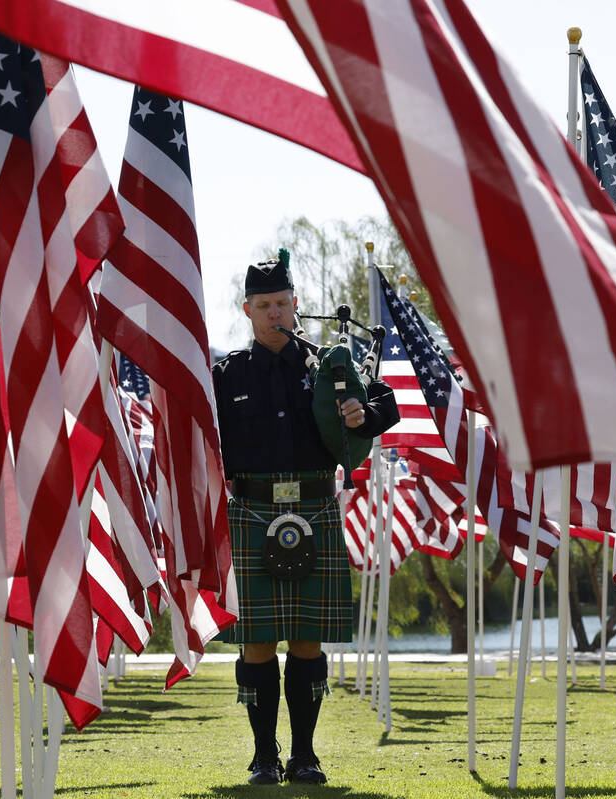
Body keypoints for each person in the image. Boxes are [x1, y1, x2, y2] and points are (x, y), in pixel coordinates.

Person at [212, 252, 399, 785]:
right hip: (251, 508)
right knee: (258, 641)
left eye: (283, 304)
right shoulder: (228, 375)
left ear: (296, 305)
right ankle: (264, 755)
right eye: (264, 305)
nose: (275, 313)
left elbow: (386, 403)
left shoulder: (330, 366)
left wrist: (367, 414)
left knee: (307, 639)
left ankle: (305, 754)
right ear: (247, 309)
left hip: (315, 506)